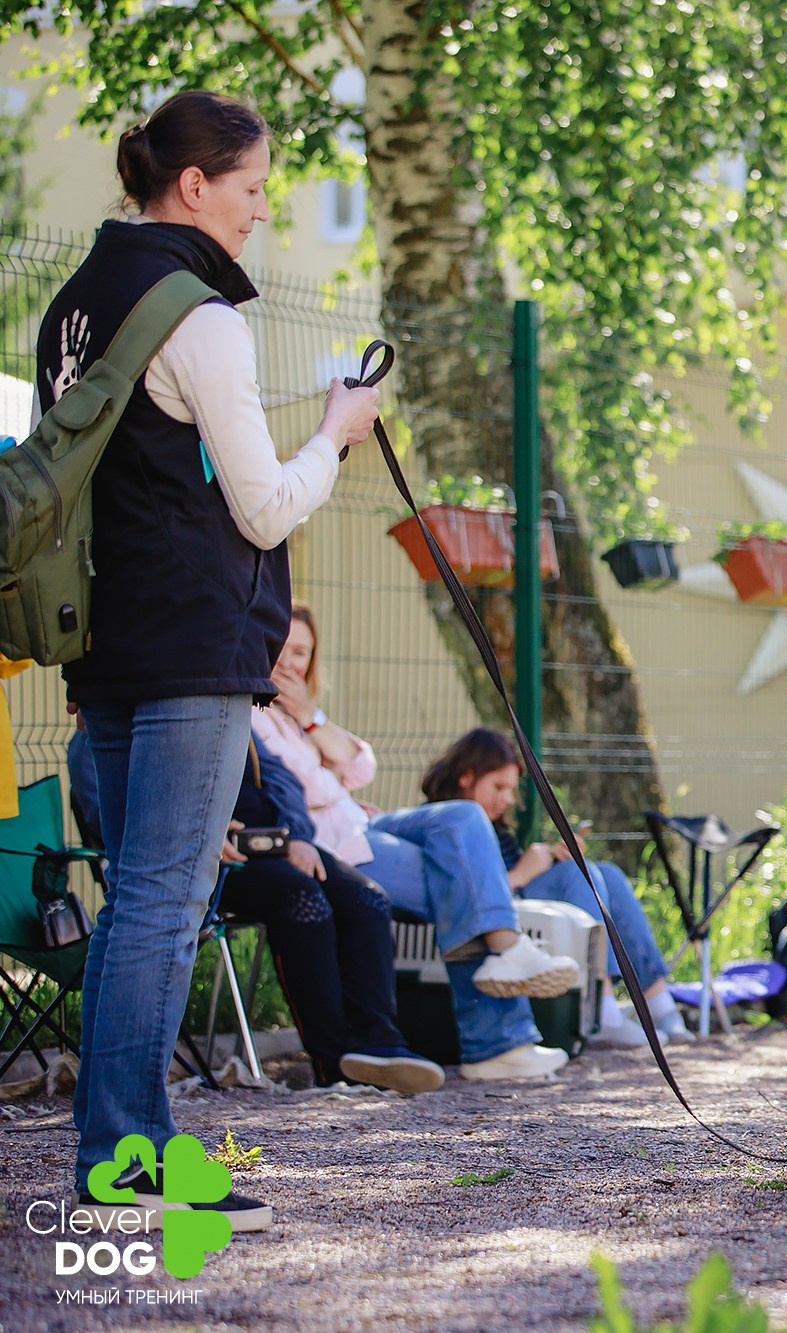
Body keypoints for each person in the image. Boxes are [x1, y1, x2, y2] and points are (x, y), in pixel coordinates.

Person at [50, 90, 380, 1231]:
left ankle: (123, 1148)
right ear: (193, 186)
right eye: (250, 190)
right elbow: (265, 506)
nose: (259, 213)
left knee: (138, 895)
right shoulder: (203, 315)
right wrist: (334, 433)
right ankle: (120, 1161)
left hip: (99, 637)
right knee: (161, 896)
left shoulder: (75, 305)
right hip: (189, 640)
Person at [254, 604, 580, 1081]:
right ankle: (497, 1041)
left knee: (465, 818)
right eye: (281, 648)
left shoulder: (297, 718)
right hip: (339, 844)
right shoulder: (250, 714)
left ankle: (502, 1009)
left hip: (366, 824)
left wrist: (308, 715)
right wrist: (328, 766)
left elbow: (362, 765)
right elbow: (301, 791)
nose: (289, 663)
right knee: (463, 887)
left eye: (301, 651)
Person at [67, 726, 444, 1095]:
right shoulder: (99, 732)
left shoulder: (232, 720)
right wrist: (200, 833)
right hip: (193, 857)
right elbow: (108, 814)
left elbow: (285, 782)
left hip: (268, 843)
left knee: (368, 898)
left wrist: (294, 835)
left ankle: (376, 1042)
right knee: (302, 899)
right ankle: (333, 1063)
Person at [422, 727, 692, 1047]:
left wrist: (546, 859)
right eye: (498, 787)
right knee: (580, 874)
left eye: (511, 789)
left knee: (609, 875)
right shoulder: (447, 825)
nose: (507, 799)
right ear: (466, 777)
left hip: (523, 908)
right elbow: (469, 897)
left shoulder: (490, 825)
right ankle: (601, 1011)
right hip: (498, 921)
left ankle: (659, 1003)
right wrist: (524, 873)